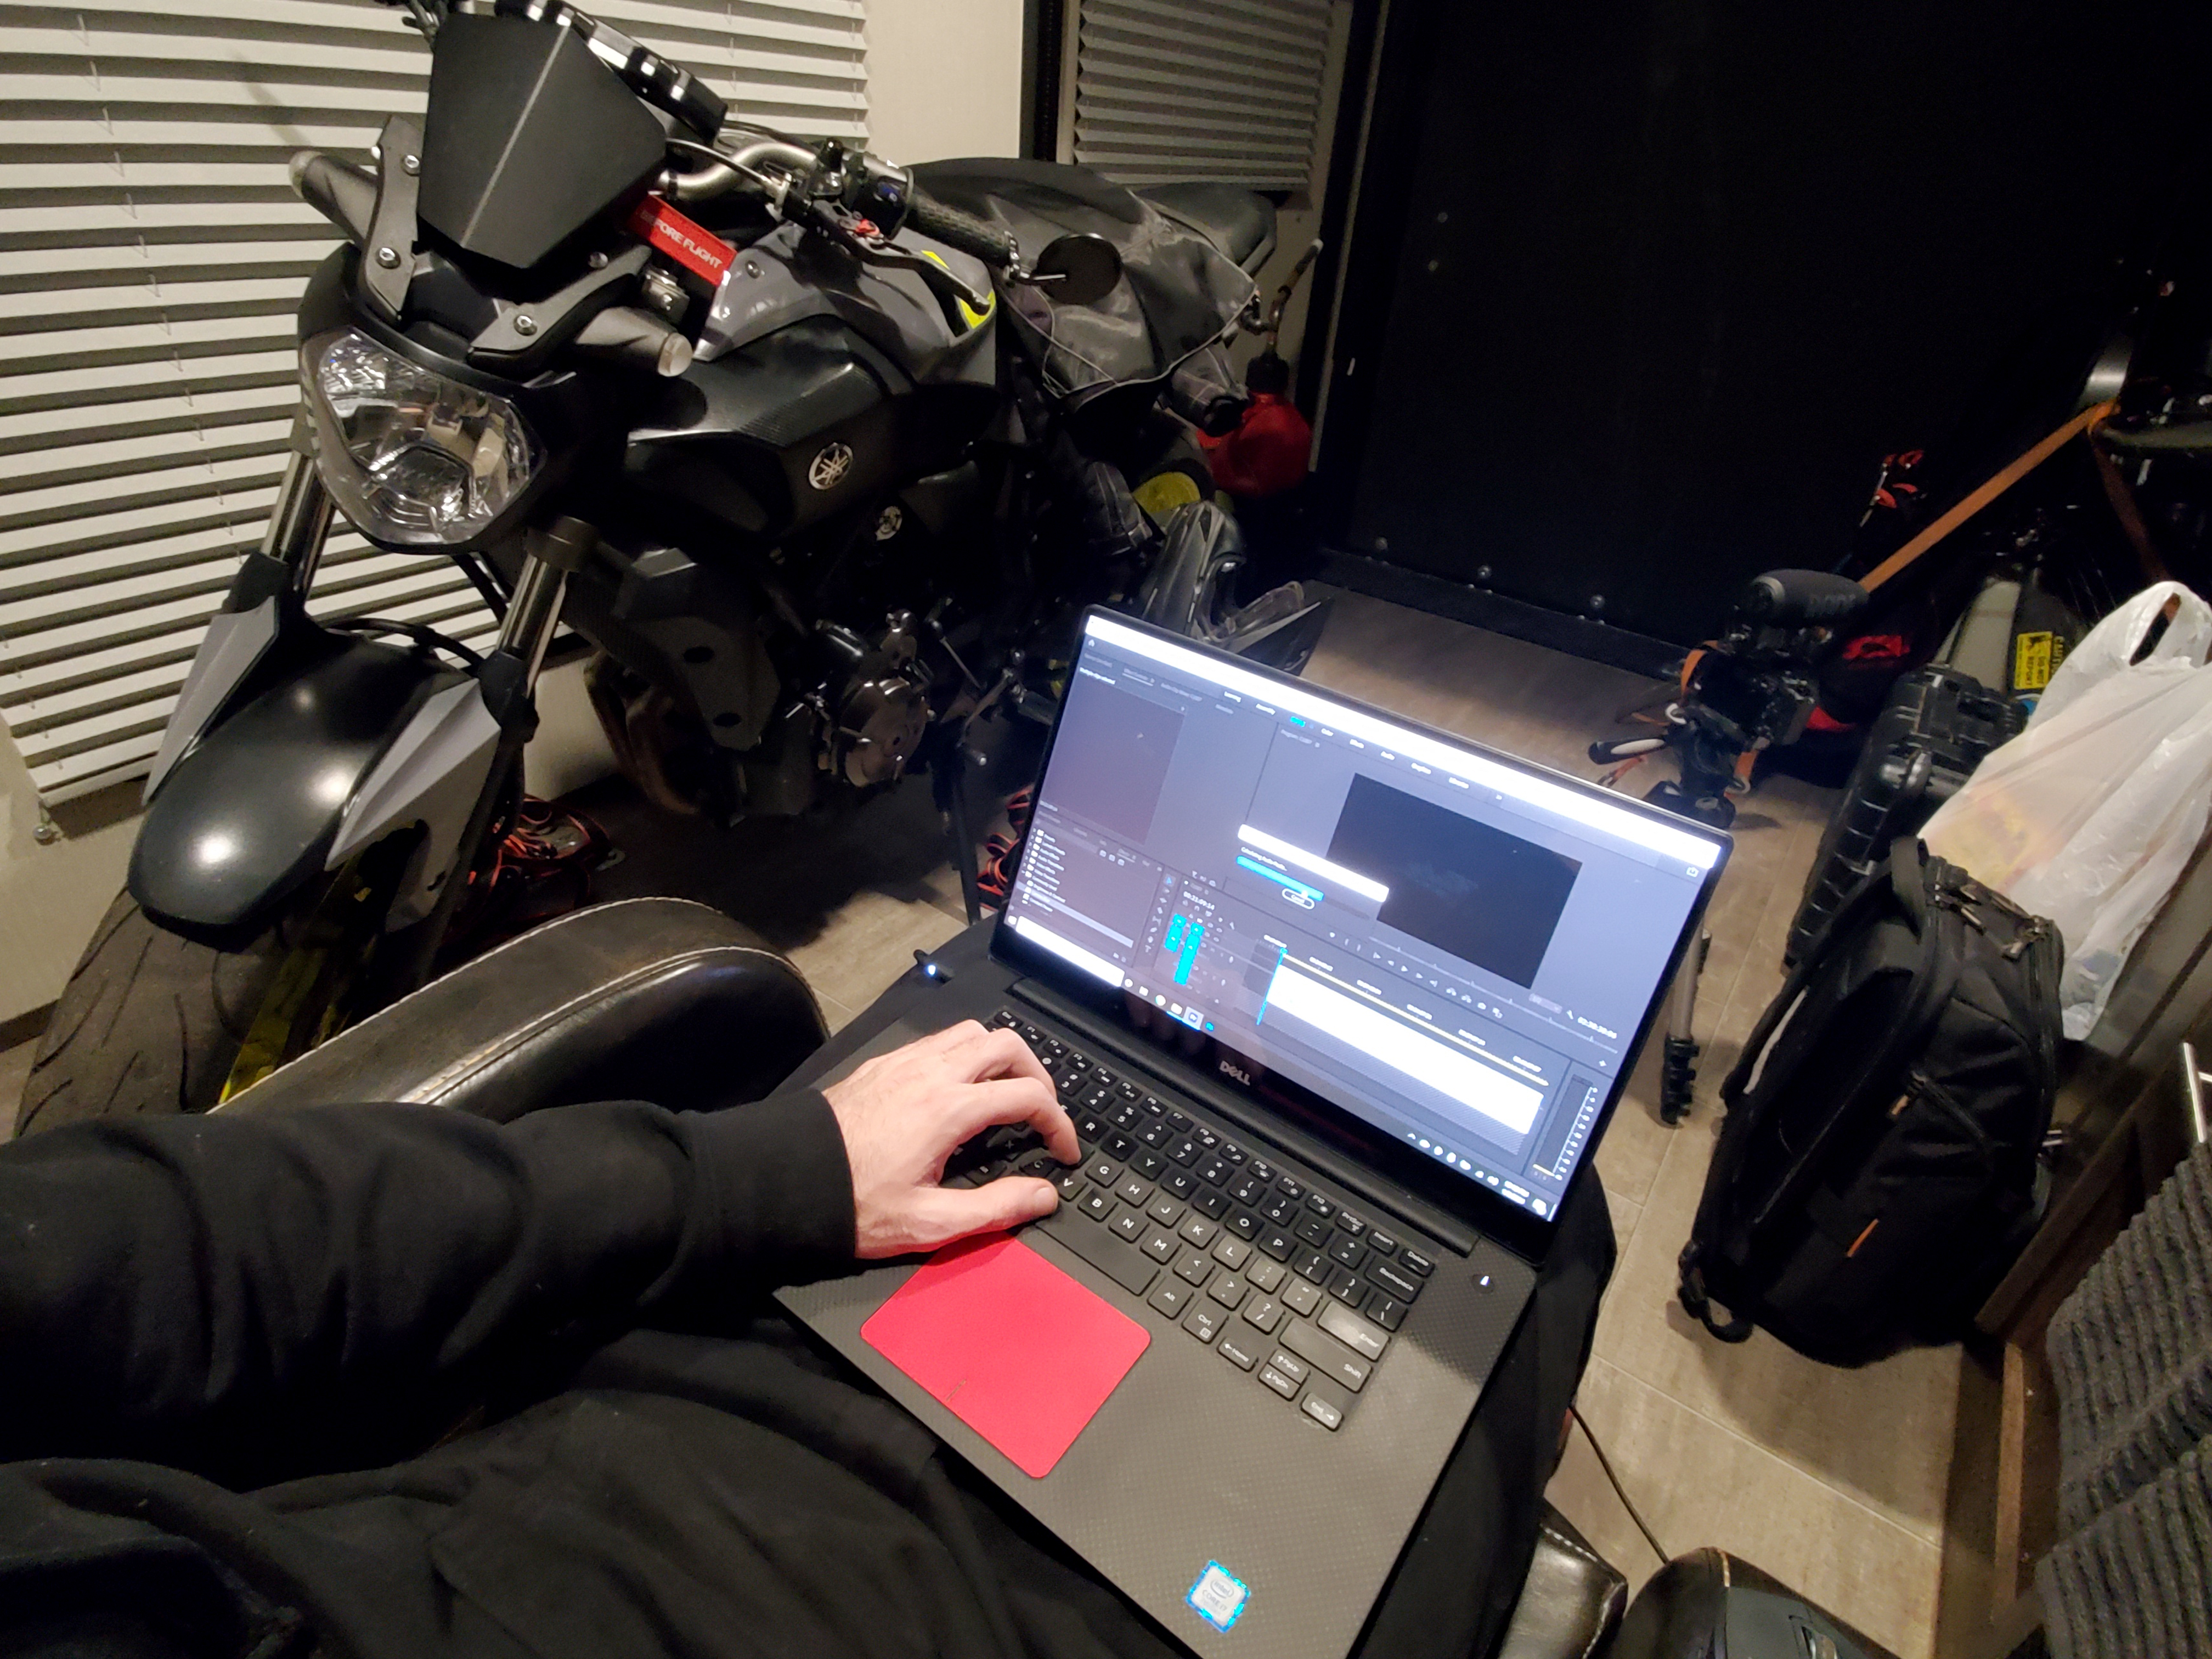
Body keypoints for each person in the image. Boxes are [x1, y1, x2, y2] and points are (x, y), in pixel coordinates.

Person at [0, 1019, 1611, 1659]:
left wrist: (771, 1174)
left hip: (559, 1468)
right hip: (842, 1564)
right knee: (1542, 1239)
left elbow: (139, 1249)